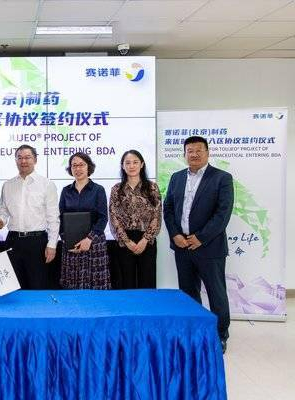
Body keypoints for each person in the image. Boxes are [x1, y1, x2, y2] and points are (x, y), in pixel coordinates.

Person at [163, 135, 234, 353]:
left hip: (209, 247)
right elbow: (168, 208)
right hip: (182, 246)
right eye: (190, 151)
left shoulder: (222, 178)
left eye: (198, 150)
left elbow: (223, 213)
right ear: (184, 154)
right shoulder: (176, 178)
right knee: (188, 292)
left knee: (216, 293)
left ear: (207, 152)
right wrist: (175, 234)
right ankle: (194, 332)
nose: (194, 154)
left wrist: (201, 237)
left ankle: (220, 334)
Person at [0, 145, 59, 289]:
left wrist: (52, 245)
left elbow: (53, 217)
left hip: (37, 243)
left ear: (35, 160)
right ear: (15, 160)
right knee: (12, 287)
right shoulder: (8, 185)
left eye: (27, 157)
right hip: (13, 241)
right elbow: (3, 210)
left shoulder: (47, 184)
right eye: (19, 158)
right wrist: (0, 221)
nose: (23, 161)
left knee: (37, 287)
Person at [109, 150, 161, 289]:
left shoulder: (152, 187)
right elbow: (113, 217)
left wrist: (145, 240)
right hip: (125, 241)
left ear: (142, 164)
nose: (131, 166)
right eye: (127, 163)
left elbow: (156, 215)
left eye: (135, 162)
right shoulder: (116, 189)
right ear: (122, 166)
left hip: (147, 240)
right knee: (127, 283)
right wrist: (127, 241)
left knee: (147, 282)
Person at [58, 152, 110, 290]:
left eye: (81, 165)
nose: (78, 168)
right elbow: (60, 218)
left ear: (88, 167)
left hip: (94, 244)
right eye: (74, 165)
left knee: (95, 288)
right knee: (72, 288)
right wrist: (66, 239)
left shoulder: (98, 190)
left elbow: (103, 218)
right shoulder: (66, 191)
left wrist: (89, 239)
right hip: (71, 246)